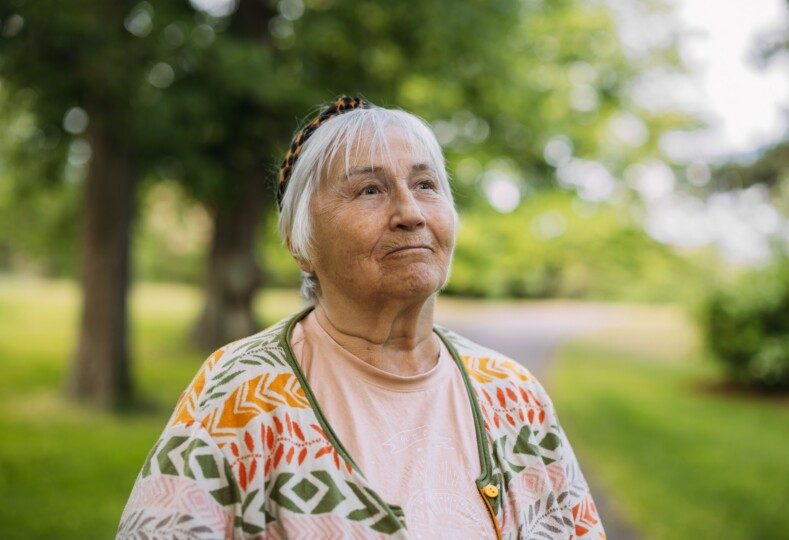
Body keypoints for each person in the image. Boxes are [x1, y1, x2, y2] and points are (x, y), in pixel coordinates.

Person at [118, 97, 605, 539]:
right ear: (300, 244)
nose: (410, 212)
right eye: (370, 190)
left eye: (425, 184)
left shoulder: (513, 394)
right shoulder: (241, 395)